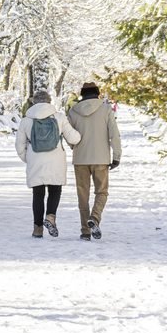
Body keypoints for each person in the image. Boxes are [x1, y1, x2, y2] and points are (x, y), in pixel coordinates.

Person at [15, 90, 81, 238]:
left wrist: (29, 158)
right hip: (56, 159)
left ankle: (37, 228)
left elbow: (19, 146)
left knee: (38, 194)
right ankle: (51, 217)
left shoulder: (26, 120)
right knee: (55, 190)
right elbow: (74, 138)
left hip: (35, 160)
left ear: (34, 102)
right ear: (49, 102)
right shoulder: (59, 118)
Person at [66, 81, 121, 241]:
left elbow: (68, 134)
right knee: (101, 192)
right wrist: (116, 156)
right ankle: (95, 218)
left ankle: (85, 231)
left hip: (80, 159)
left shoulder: (73, 111)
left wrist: (73, 146)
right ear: (97, 93)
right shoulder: (105, 110)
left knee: (82, 195)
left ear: (82, 94)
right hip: (101, 158)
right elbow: (114, 135)